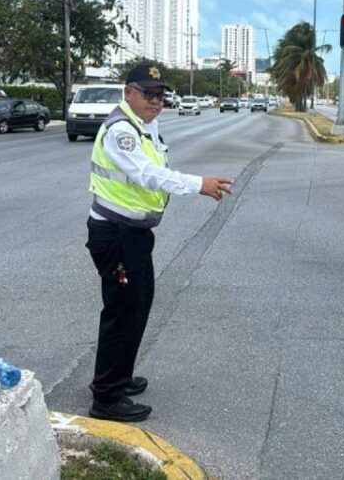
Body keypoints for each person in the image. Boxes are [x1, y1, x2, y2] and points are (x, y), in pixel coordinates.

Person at [85, 62, 233, 422]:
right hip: (116, 235)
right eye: (148, 93)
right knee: (123, 311)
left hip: (134, 235)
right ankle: (106, 397)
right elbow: (145, 174)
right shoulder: (122, 130)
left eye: (161, 94)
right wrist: (198, 184)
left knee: (137, 306)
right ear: (128, 92)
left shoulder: (144, 126)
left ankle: (117, 376)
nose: (156, 101)